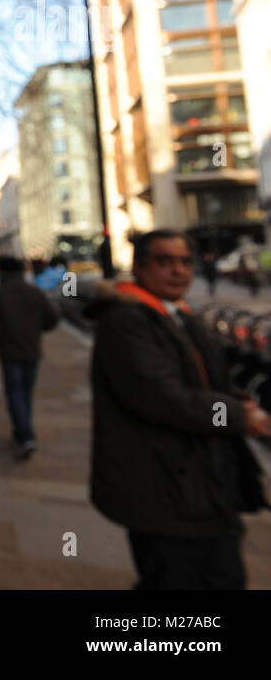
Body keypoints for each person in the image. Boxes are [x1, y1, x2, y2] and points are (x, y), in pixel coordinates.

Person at [86, 229, 270, 590]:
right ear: (139, 267)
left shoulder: (177, 313)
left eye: (185, 261)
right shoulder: (128, 320)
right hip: (166, 489)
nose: (178, 271)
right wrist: (239, 416)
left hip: (194, 482)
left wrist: (236, 401)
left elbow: (204, 379)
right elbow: (164, 398)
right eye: (164, 261)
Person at [0, 256, 59, 460]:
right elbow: (52, 318)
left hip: (9, 351)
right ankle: (23, 432)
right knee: (25, 393)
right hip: (31, 350)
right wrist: (36, 330)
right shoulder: (35, 292)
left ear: (3, 271)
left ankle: (26, 435)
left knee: (15, 393)